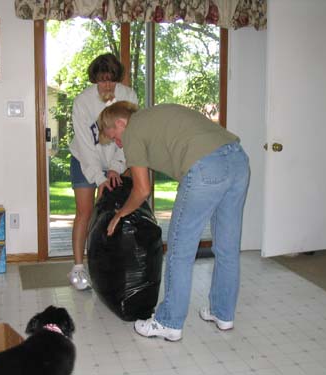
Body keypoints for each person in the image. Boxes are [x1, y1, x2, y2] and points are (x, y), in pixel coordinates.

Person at [97, 101, 250, 341]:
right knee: (228, 248)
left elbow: (142, 190)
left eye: (114, 137)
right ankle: (223, 313)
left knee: (180, 250)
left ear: (120, 123)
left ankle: (168, 322)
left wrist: (120, 214)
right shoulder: (156, 114)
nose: (118, 144)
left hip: (205, 167)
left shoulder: (133, 130)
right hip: (238, 159)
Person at [68, 54, 138, 290]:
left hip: (117, 159)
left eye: (111, 81)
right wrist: (99, 178)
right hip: (84, 159)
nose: (107, 86)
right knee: (85, 212)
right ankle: (78, 269)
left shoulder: (128, 96)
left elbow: (131, 137)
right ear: (95, 79)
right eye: (102, 81)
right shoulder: (82, 102)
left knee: (113, 212)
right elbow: (86, 146)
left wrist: (117, 168)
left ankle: (107, 264)